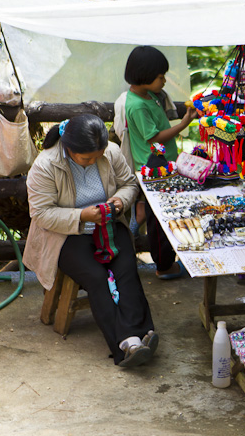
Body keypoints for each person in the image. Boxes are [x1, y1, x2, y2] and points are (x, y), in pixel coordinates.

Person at [24, 114, 158, 368]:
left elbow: (129, 184)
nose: (95, 160)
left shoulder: (111, 152)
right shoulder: (45, 166)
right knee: (97, 277)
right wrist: (81, 215)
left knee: (126, 268)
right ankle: (127, 344)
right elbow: (40, 213)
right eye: (87, 158)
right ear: (69, 148)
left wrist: (120, 201)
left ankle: (139, 337)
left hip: (107, 224)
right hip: (64, 235)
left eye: (98, 155)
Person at [123, 45, 198, 280]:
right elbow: (154, 138)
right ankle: (164, 266)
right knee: (160, 221)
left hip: (161, 163)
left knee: (162, 213)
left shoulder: (149, 96)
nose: (164, 80)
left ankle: (141, 214)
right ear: (144, 76)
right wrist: (184, 123)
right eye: (160, 76)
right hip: (153, 169)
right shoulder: (137, 104)